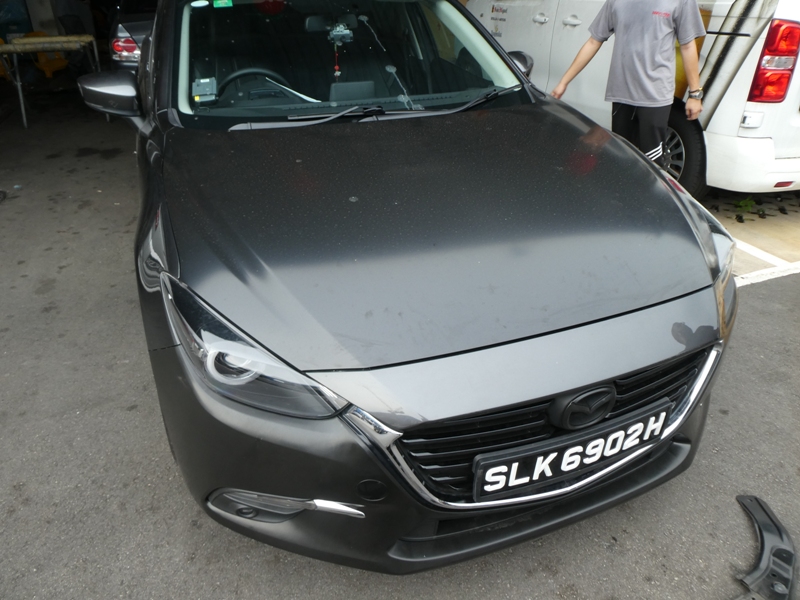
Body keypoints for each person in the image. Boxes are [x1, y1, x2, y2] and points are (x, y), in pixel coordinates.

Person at [551, 0, 705, 168]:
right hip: (621, 94)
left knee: (652, 164)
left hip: (655, 97)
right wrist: (564, 82)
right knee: (621, 161)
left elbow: (688, 46)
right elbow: (593, 41)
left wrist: (695, 94)